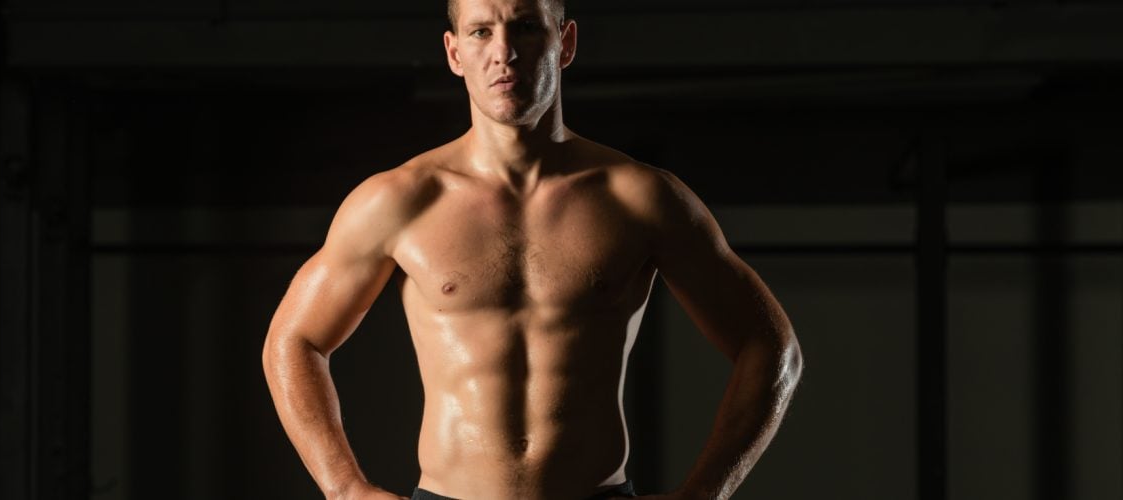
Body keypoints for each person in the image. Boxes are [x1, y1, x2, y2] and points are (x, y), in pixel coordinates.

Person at [262, 0, 804, 498]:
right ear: (454, 53)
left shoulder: (640, 198)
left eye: (525, 27)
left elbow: (770, 346)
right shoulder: (400, 201)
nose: (504, 52)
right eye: (481, 32)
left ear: (564, 42)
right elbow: (293, 340)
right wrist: (345, 488)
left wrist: (706, 492)